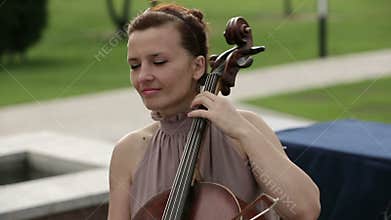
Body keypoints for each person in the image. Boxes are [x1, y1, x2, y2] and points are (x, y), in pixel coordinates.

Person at [108, 3, 320, 220]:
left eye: (159, 62)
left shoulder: (242, 130)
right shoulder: (128, 152)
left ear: (198, 66)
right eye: (134, 65)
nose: (143, 76)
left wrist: (242, 131)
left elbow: (305, 209)